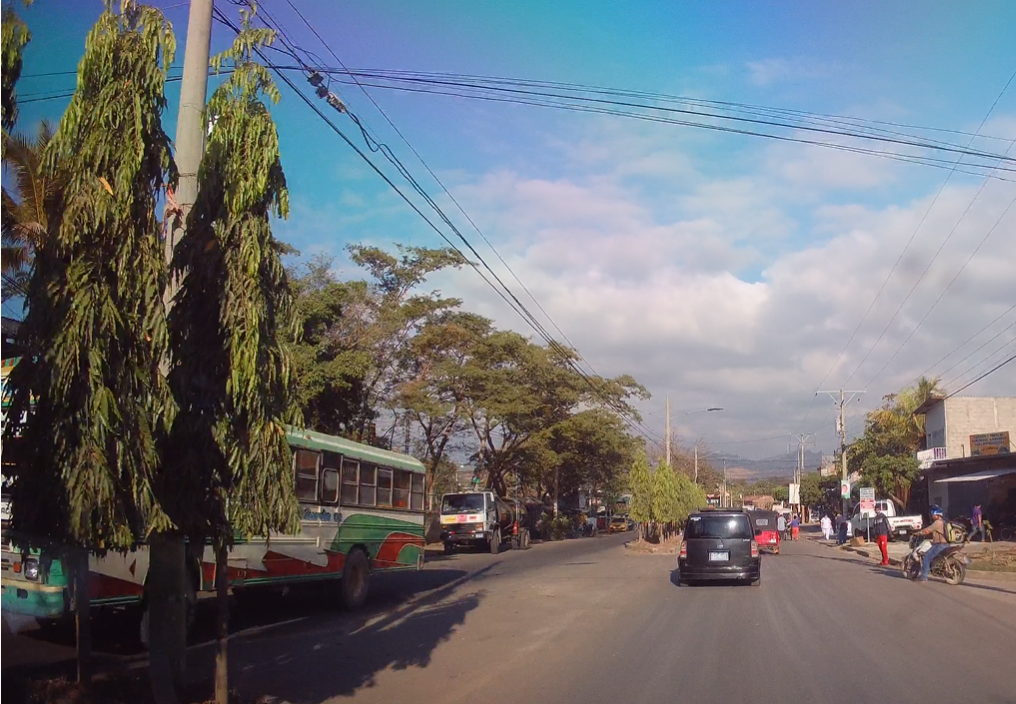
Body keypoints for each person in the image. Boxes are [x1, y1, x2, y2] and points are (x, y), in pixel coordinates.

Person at [915, 506, 949, 582]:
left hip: (940, 545)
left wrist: (918, 533)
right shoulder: (944, 521)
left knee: (926, 558)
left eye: (932, 514)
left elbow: (927, 530)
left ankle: (923, 577)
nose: (931, 515)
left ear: (935, 514)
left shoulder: (937, 523)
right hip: (945, 544)